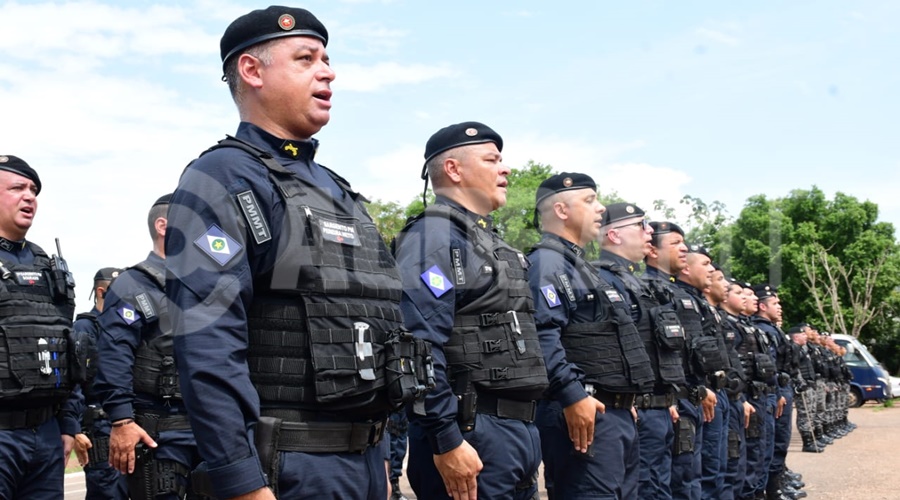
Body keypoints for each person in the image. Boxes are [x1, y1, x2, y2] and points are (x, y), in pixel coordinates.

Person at [165, 7, 431, 499]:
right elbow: (207, 342)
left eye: (327, 59)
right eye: (306, 58)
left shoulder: (337, 189)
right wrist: (240, 479)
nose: (327, 71)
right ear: (252, 70)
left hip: (367, 462)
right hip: (289, 469)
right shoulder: (223, 177)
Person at [393, 122, 548, 500]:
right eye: (492, 159)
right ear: (453, 170)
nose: (505, 169)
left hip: (516, 430)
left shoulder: (487, 242)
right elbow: (418, 347)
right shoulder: (432, 237)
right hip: (469, 431)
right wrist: (446, 439)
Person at [528, 173, 654, 499]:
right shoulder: (547, 261)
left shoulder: (580, 266)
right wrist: (573, 394)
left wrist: (624, 395)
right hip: (584, 413)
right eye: (589, 200)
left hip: (612, 412)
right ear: (561, 210)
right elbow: (543, 335)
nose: (600, 209)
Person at [94, 194, 205, 500]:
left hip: (210, 430)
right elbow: (115, 355)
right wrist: (121, 420)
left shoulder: (205, 285)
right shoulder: (132, 285)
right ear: (163, 226)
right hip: (160, 434)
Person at [0, 154, 82, 499]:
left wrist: (68, 426)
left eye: (33, 190)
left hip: (46, 434)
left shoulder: (48, 268)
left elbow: (71, 351)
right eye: (18, 188)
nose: (30, 196)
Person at [595, 203, 685, 500]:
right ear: (614, 235)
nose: (649, 232)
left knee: (656, 486)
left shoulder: (634, 282)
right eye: (640, 226)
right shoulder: (600, 279)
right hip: (631, 408)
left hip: (648, 404)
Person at [643, 222, 716, 500]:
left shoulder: (678, 294)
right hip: (672, 399)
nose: (684, 248)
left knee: (690, 476)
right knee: (673, 481)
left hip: (690, 396)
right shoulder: (647, 289)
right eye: (675, 243)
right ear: (653, 251)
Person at [71, 266, 129, 499]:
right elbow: (72, 382)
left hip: (128, 425)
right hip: (99, 427)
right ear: (101, 292)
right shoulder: (84, 327)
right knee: (107, 492)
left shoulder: (128, 326)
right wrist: (75, 429)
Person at [788, 324, 822, 453]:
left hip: (809, 383)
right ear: (796, 336)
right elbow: (795, 368)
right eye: (803, 334)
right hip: (803, 385)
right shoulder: (794, 349)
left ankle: (812, 439)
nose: (805, 336)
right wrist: (800, 383)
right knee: (805, 413)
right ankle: (807, 442)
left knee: (811, 411)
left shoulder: (802, 349)